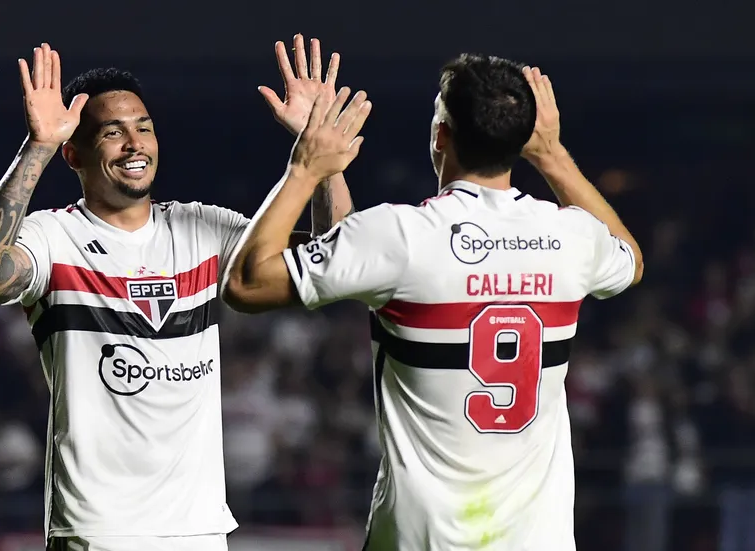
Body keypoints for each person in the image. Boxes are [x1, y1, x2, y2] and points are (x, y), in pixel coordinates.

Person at [223, 55, 644, 551]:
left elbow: (248, 285)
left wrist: (308, 165)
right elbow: (631, 261)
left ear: (440, 133)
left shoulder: (401, 237)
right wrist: (551, 156)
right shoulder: (571, 235)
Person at [0, 37, 354, 551]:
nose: (134, 144)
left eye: (143, 128)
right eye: (113, 133)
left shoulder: (203, 228)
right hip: (98, 531)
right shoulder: (54, 238)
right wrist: (39, 145)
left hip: (199, 530)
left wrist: (322, 158)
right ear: (74, 153)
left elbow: (336, 260)